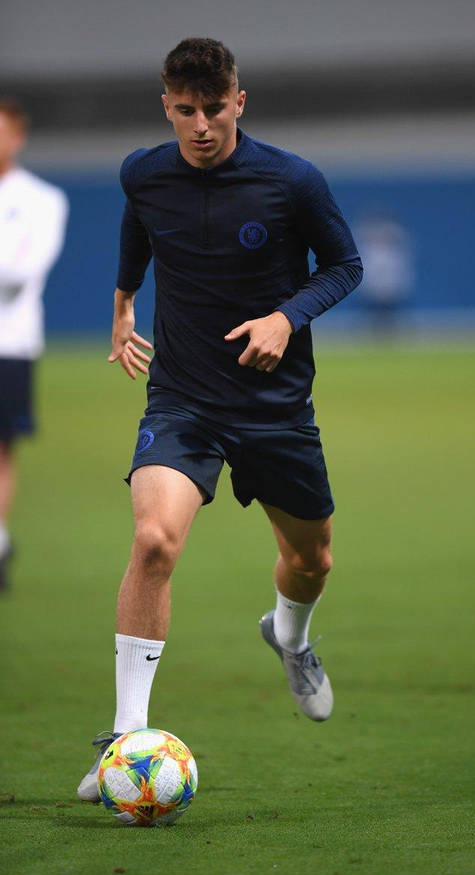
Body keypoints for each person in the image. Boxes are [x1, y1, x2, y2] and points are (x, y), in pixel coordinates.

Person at [77, 37, 362, 800]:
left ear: (239, 101)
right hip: (184, 398)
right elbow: (141, 226)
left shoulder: (293, 180)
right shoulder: (143, 171)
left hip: (274, 407)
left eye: (213, 108)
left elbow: (345, 265)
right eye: (184, 110)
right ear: (166, 107)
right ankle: (124, 738)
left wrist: (286, 316)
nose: (200, 125)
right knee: (152, 539)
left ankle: (291, 638)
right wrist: (122, 301)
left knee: (312, 561)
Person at [0, 98, 68, 591]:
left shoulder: (42, 200)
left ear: (18, 136)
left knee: (1, 448)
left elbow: (19, 273)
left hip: (10, 343)